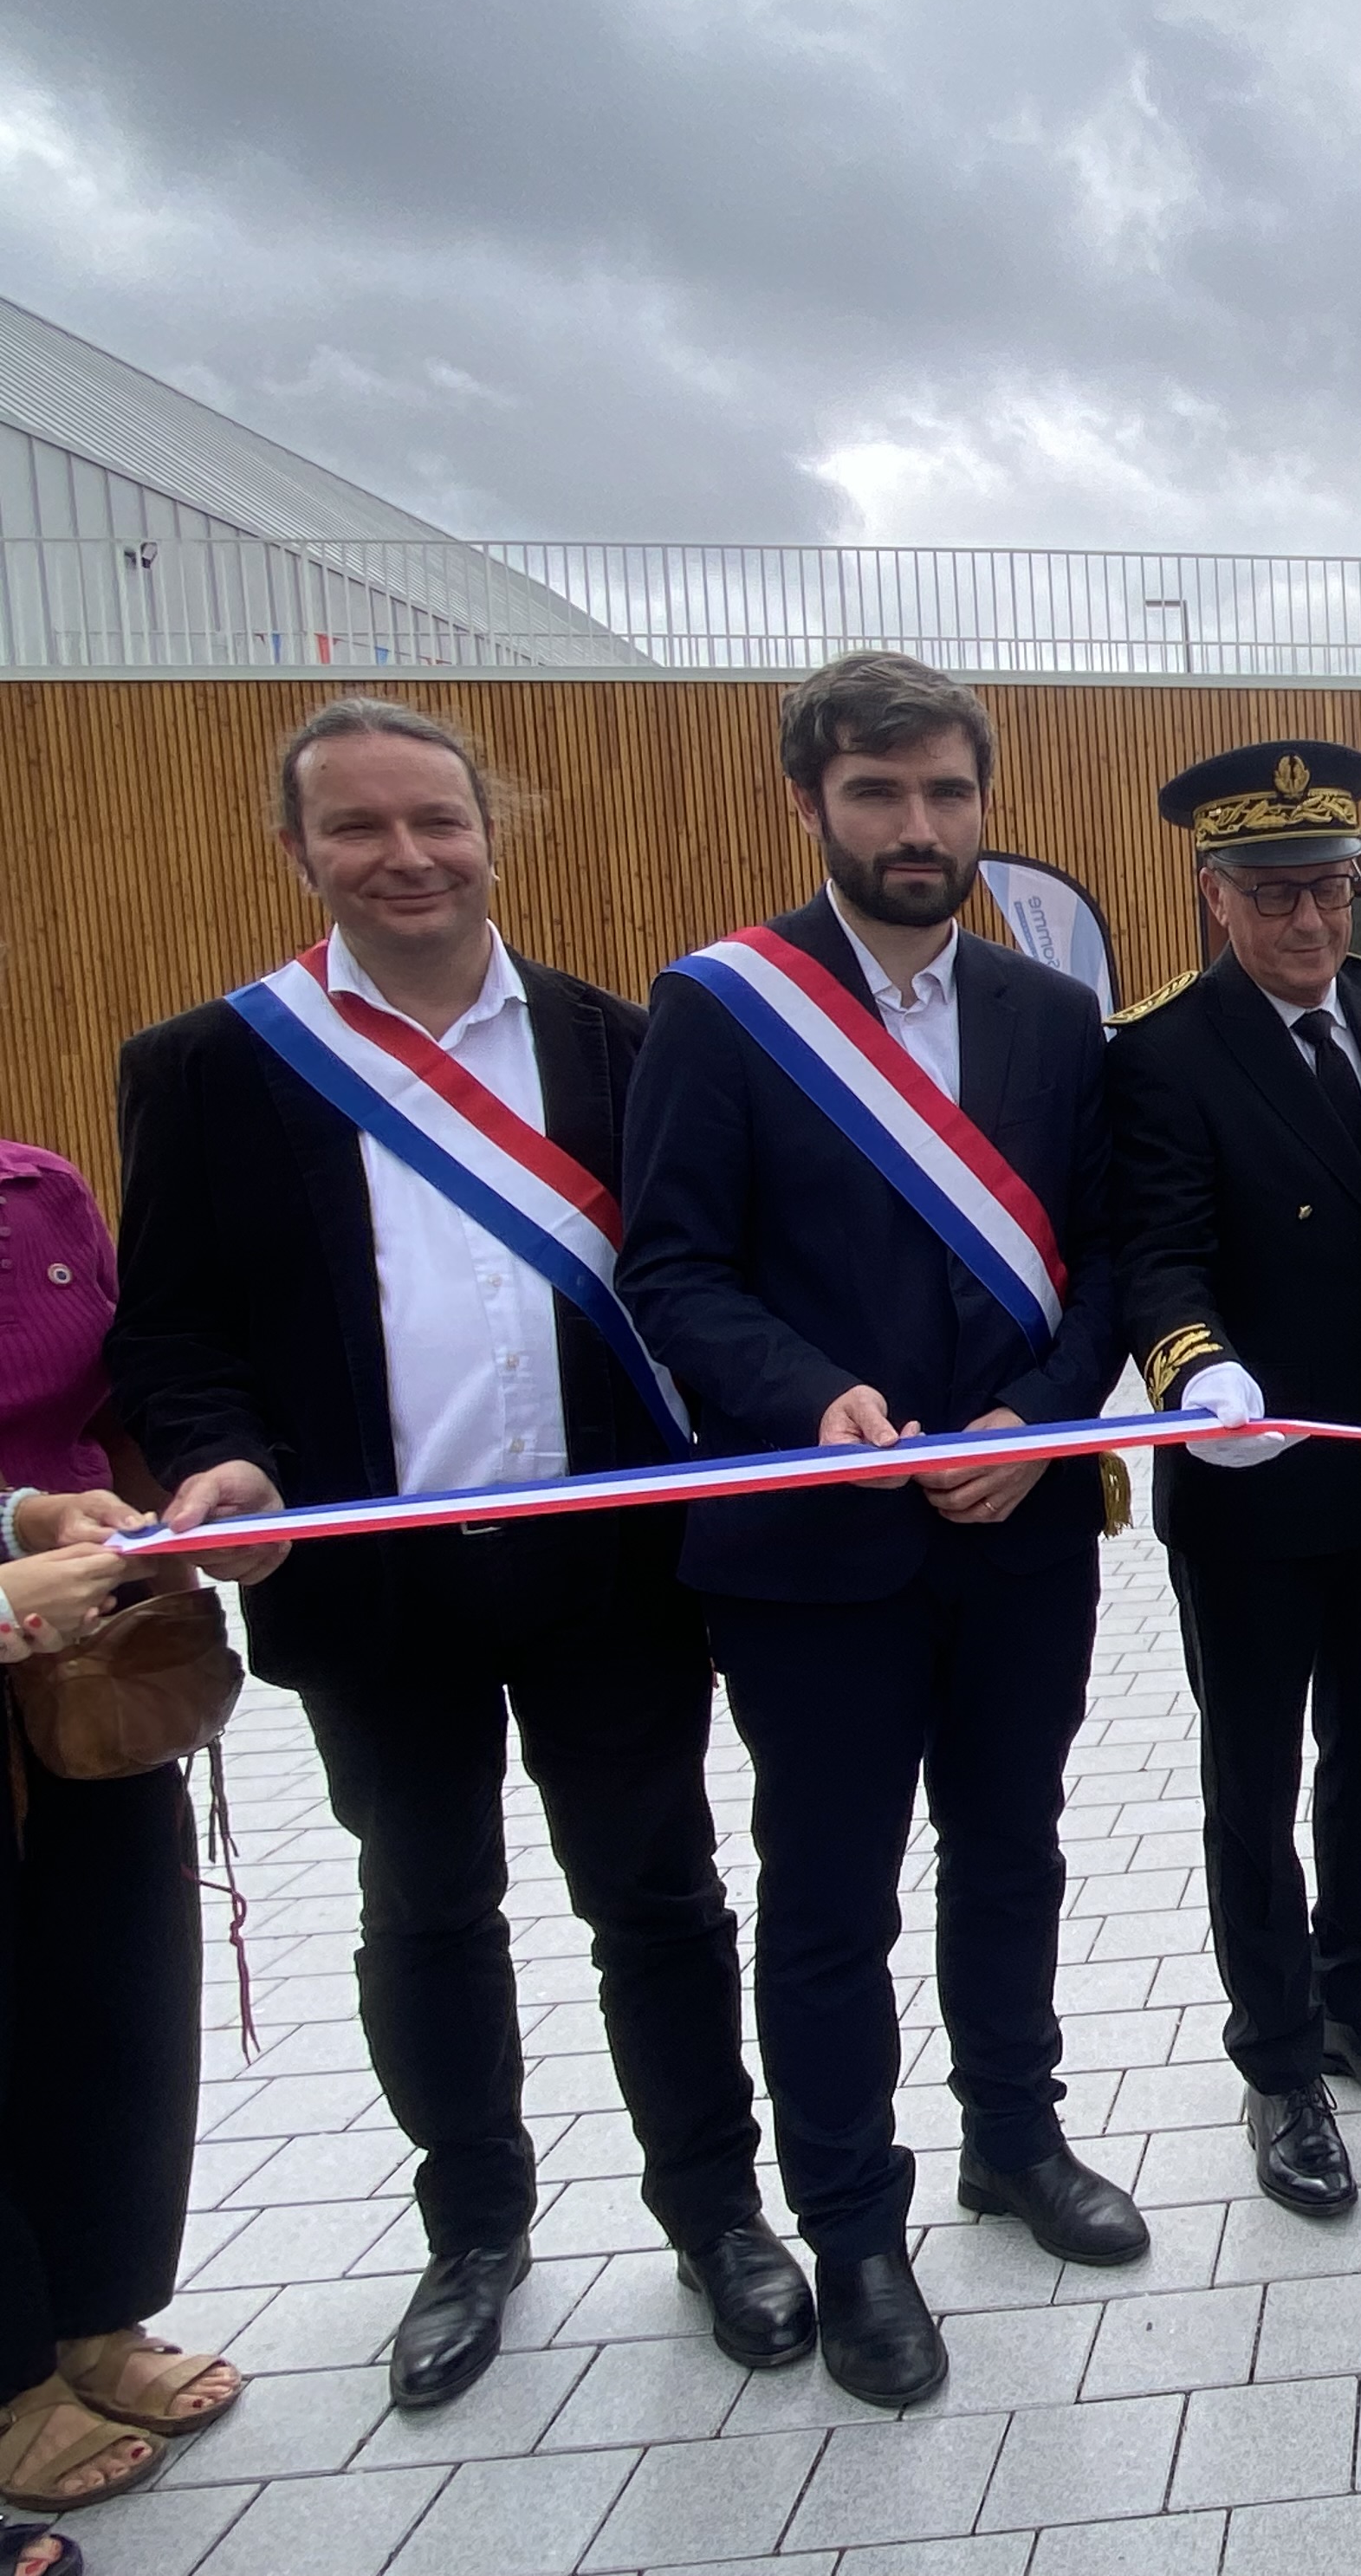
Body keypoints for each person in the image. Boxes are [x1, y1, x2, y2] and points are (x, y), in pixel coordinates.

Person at [111, 698, 793, 2413]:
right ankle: (473, 2231)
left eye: (436, 820)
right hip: (374, 1587)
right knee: (427, 1906)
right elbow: (177, 1341)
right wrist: (221, 1461)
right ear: (298, 854)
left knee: (659, 1898)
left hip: (606, 1570)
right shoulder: (208, 1064)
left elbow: (693, 1284)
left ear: (495, 831)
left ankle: (716, 2214)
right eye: (358, 828)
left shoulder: (622, 1044)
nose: (404, 856)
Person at [619, 652, 1141, 2410]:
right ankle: (853, 2226)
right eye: (876, 795)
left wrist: (1046, 1420)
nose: (916, 828)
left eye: (943, 794)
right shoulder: (723, 1009)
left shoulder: (1055, 1020)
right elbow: (671, 1267)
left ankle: (1014, 2135)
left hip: (1016, 1528)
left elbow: (1105, 1269)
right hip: (812, 1549)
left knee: (1014, 1848)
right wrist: (809, 1395)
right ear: (813, 802)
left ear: (983, 804)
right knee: (830, 1898)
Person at [1108, 739, 1361, 2220]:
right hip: (1253, 1480)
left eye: (1327, 887)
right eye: (1271, 894)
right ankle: (1275, 2058)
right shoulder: (1161, 1049)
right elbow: (1155, 1247)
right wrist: (1194, 1367)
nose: (1308, 923)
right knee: (1253, 1780)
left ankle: (1351, 1998)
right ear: (1214, 894)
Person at [0, 1517, 169, 2553]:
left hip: (70, 1643)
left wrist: (27, 1515)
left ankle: (90, 2318)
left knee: (96, 1988)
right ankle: (12, 2377)